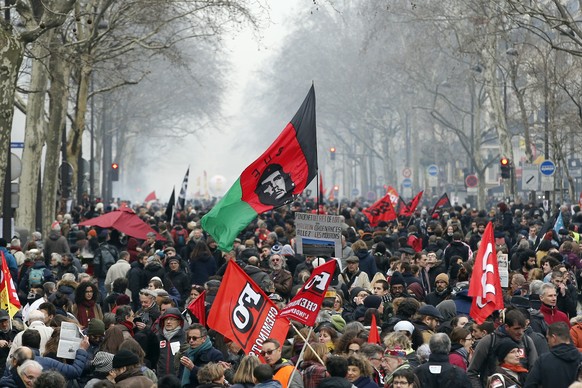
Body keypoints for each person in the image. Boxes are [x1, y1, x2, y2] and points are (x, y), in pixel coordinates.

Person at [467, 309, 538, 388]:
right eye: (516, 329)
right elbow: (472, 372)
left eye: (523, 328)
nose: (521, 332)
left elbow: (534, 371)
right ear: (506, 326)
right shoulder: (488, 341)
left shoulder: (527, 341)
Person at [524, 321, 582, 388]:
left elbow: (530, 385)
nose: (548, 342)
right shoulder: (580, 358)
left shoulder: (543, 361)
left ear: (554, 338)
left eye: (548, 338)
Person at [178, 323, 224, 387]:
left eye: (194, 338)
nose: (191, 341)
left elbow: (216, 378)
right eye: (189, 338)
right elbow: (180, 376)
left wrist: (193, 368)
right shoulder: (187, 353)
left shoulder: (215, 354)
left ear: (204, 339)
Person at [157, 307, 186, 377]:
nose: (168, 322)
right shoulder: (157, 337)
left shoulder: (185, 337)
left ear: (179, 322)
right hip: (160, 378)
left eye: (172, 319)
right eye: (166, 319)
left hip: (178, 378)